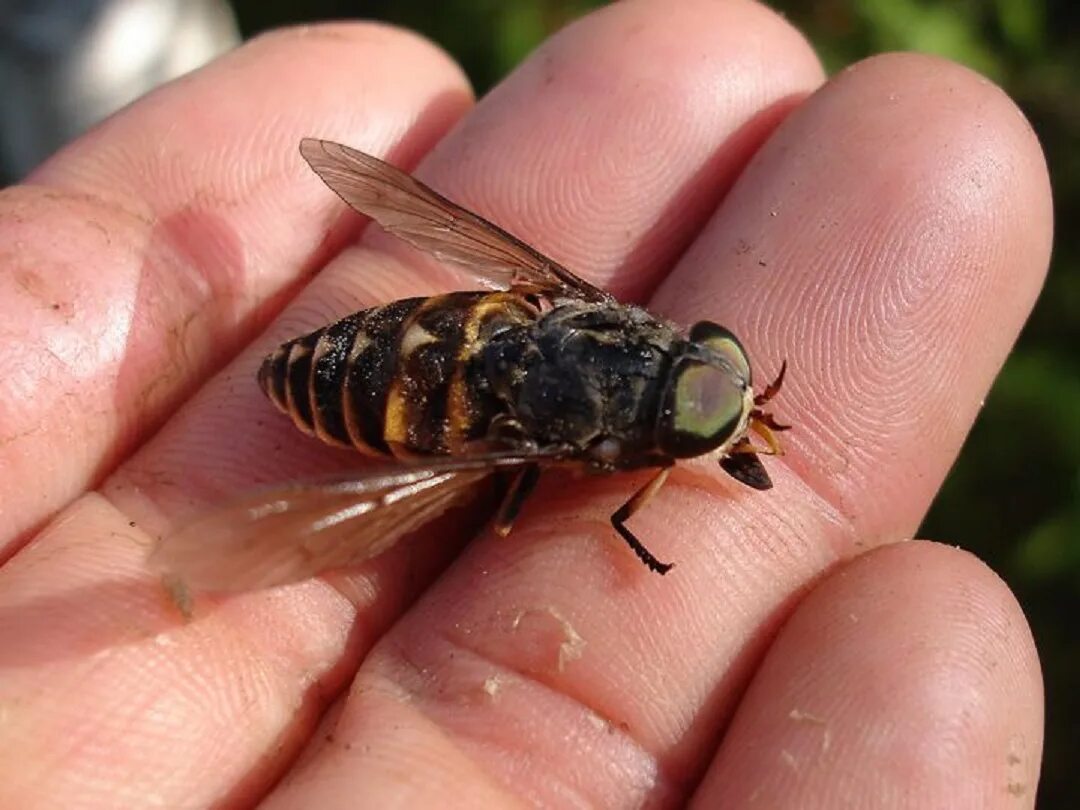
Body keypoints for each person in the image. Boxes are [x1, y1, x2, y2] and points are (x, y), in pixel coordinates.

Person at [0, 2, 1049, 807]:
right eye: (715, 384)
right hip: (390, 406)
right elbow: (591, 485)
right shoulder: (586, 454)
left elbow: (466, 254)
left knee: (492, 333)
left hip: (427, 335)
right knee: (480, 491)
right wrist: (614, 518)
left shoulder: (597, 315)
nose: (726, 390)